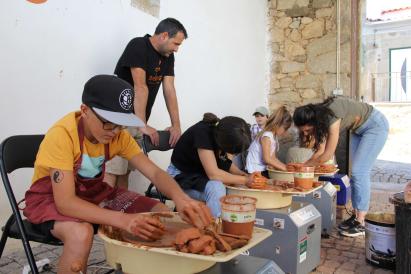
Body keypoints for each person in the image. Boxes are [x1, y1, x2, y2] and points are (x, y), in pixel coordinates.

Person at [23, 75, 212, 274]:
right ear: (85, 111)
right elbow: (66, 202)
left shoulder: (119, 135)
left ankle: (140, 267)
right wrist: (123, 220)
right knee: (81, 233)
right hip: (52, 198)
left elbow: (155, 173)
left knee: (160, 215)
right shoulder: (62, 135)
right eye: (108, 123)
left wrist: (181, 198)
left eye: (120, 124)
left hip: (93, 193)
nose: (114, 131)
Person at [105, 18, 187, 187]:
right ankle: (102, 212)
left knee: (125, 172)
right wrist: (142, 124)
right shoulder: (138, 46)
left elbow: (169, 89)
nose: (177, 49)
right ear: (164, 36)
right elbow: (140, 87)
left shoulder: (168, 56)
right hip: (118, 119)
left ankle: (122, 210)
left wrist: (176, 125)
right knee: (112, 171)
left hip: (136, 120)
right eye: (176, 44)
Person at [293, 96, 389, 237]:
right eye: (303, 132)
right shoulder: (320, 119)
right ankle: (356, 216)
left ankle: (361, 222)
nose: (306, 134)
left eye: (307, 130)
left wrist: (304, 167)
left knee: (359, 172)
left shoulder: (332, 116)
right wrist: (305, 166)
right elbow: (319, 151)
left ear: (313, 121)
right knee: (356, 172)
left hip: (375, 125)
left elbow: (327, 155)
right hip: (358, 130)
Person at [167, 113, 252, 217]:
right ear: (223, 144)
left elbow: (225, 163)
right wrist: (246, 181)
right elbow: (214, 174)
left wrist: (244, 175)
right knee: (216, 187)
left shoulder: (221, 133)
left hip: (199, 175)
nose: (233, 156)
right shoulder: (202, 133)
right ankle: (214, 228)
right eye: (233, 153)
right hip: (179, 176)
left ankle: (226, 223)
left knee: (236, 185)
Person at [246, 106, 292, 177]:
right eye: (285, 129)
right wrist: (285, 169)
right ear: (278, 124)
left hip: (262, 168)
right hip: (255, 170)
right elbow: (267, 159)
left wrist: (287, 168)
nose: (285, 132)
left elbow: (273, 158)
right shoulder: (267, 135)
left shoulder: (274, 136)